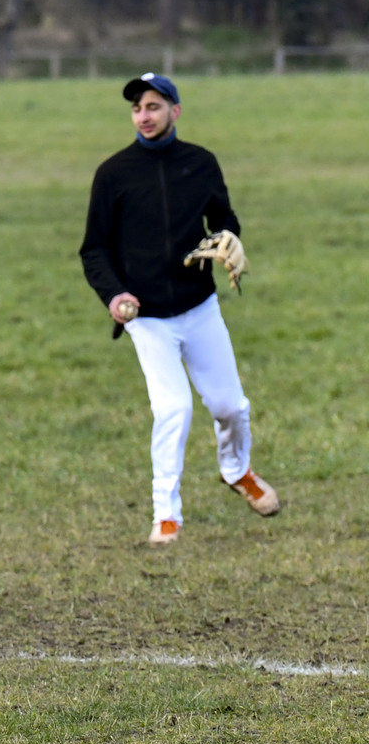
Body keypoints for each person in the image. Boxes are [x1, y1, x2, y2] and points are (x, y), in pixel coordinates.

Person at [80, 73, 279, 545]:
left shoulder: (201, 163)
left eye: (153, 106)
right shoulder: (114, 174)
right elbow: (94, 249)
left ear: (175, 111)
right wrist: (115, 295)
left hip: (199, 306)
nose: (143, 116)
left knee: (231, 406)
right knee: (174, 409)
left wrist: (230, 236)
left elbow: (223, 219)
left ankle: (236, 472)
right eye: (136, 109)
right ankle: (165, 515)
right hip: (147, 317)